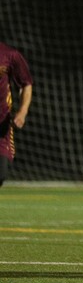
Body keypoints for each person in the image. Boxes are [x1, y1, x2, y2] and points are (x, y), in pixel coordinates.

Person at [0, 42, 33, 188]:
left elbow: (26, 84)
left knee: (0, 174)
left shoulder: (10, 54)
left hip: (1, 127)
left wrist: (22, 112)